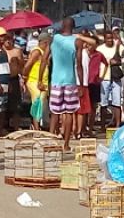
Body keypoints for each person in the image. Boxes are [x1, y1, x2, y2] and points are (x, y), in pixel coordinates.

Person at [39, 17, 84, 151]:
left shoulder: (53, 40)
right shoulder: (77, 42)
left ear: (62, 25)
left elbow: (43, 60)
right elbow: (79, 65)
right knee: (69, 113)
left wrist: (40, 79)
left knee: (55, 112)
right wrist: (81, 85)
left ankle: (51, 143)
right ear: (74, 27)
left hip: (56, 82)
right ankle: (66, 144)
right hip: (70, 81)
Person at [22, 32, 51, 130]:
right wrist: (24, 77)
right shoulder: (37, 52)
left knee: (41, 104)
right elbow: (27, 66)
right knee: (37, 104)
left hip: (43, 82)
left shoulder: (44, 53)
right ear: (45, 42)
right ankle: (36, 127)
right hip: (34, 81)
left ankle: (39, 125)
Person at [97, 30, 124, 129]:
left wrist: (116, 62)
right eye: (107, 38)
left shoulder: (119, 48)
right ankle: (102, 125)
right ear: (104, 39)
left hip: (116, 78)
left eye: (111, 38)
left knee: (116, 102)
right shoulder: (100, 49)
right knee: (103, 103)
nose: (109, 40)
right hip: (104, 78)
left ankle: (118, 125)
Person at [87, 37, 109, 135]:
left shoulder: (99, 55)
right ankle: (84, 127)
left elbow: (106, 64)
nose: (89, 46)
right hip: (84, 83)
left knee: (93, 107)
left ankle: (90, 128)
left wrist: (102, 77)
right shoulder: (83, 54)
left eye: (92, 44)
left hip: (95, 83)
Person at [3, 35, 24, 131]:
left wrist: (17, 60)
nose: (8, 42)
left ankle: (16, 127)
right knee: (3, 105)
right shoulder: (1, 51)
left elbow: (22, 66)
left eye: (9, 39)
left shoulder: (17, 51)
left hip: (14, 79)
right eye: (6, 39)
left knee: (16, 106)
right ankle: (3, 126)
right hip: (3, 79)